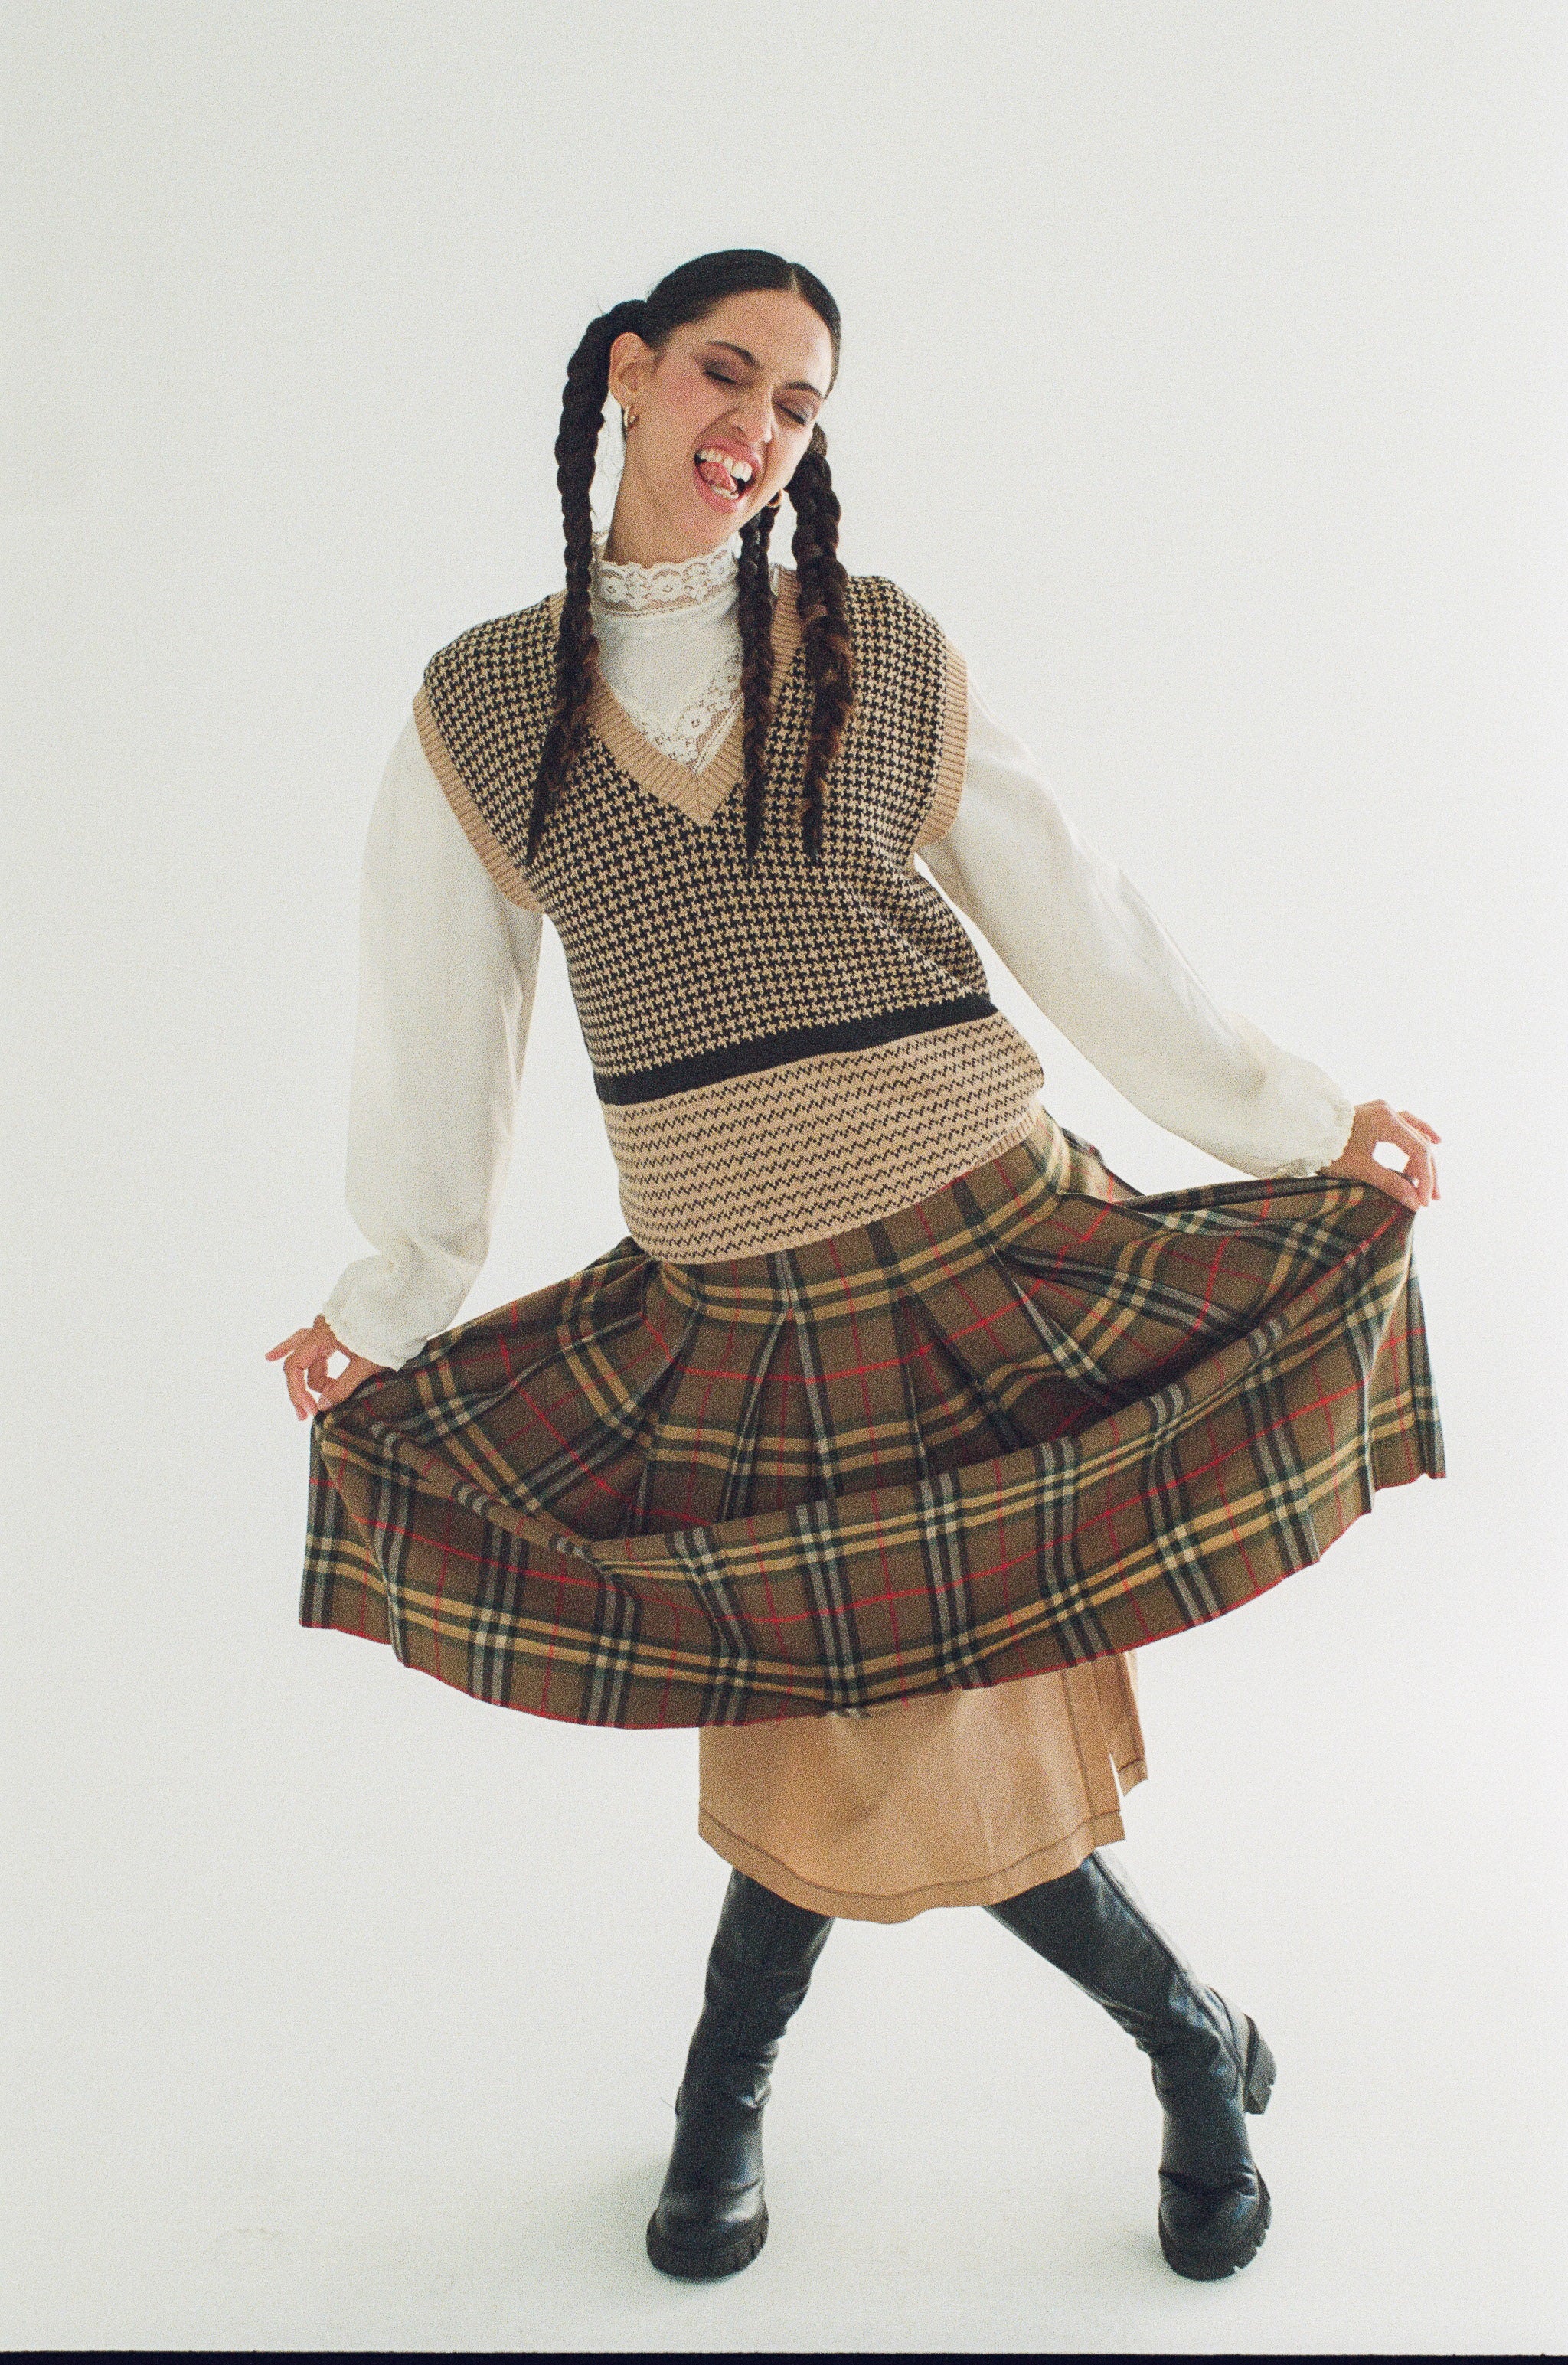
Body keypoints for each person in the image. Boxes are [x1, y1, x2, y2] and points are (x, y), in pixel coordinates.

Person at [268, 248, 1444, 2288]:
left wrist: (1300, 1120)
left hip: (994, 1244)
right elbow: (439, 1028)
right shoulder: (482, 704)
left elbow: (1078, 920)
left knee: (882, 1708)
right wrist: (388, 1304)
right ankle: (1187, 2041)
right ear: (630, 375)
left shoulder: (874, 647)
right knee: (828, 1703)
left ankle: (757, 2103)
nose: (759, 426)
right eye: (730, 373)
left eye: (799, 405)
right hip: (740, 1309)